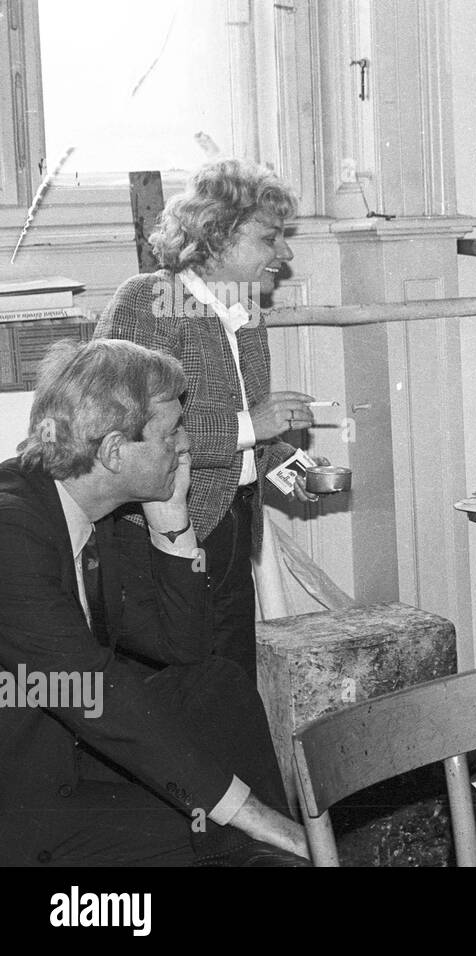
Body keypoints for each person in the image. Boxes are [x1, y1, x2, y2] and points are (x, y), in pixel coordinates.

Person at [0, 339, 308, 865]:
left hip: (63, 753)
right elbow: (93, 688)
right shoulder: (11, 530)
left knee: (216, 686)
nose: (187, 446)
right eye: (171, 433)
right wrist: (252, 811)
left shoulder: (90, 509)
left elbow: (185, 651)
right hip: (21, 795)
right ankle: (279, 844)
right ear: (115, 450)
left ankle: (275, 847)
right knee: (221, 826)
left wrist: (172, 520)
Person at [96, 159, 320, 679]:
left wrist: (289, 468)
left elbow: (244, 436)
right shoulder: (146, 303)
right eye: (270, 239)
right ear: (217, 236)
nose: (284, 254)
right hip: (158, 538)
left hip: (232, 523)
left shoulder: (243, 312)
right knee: (175, 683)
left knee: (231, 680)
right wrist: (251, 425)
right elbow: (126, 437)